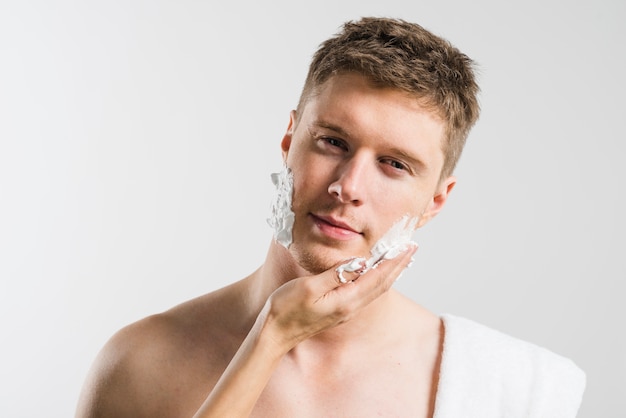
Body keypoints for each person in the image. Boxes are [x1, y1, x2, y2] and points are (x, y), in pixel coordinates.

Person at [75, 17, 585, 418]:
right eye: (333, 142)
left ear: (436, 201)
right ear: (287, 142)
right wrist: (270, 337)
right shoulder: (139, 365)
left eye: (394, 164)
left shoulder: (517, 390)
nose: (348, 187)